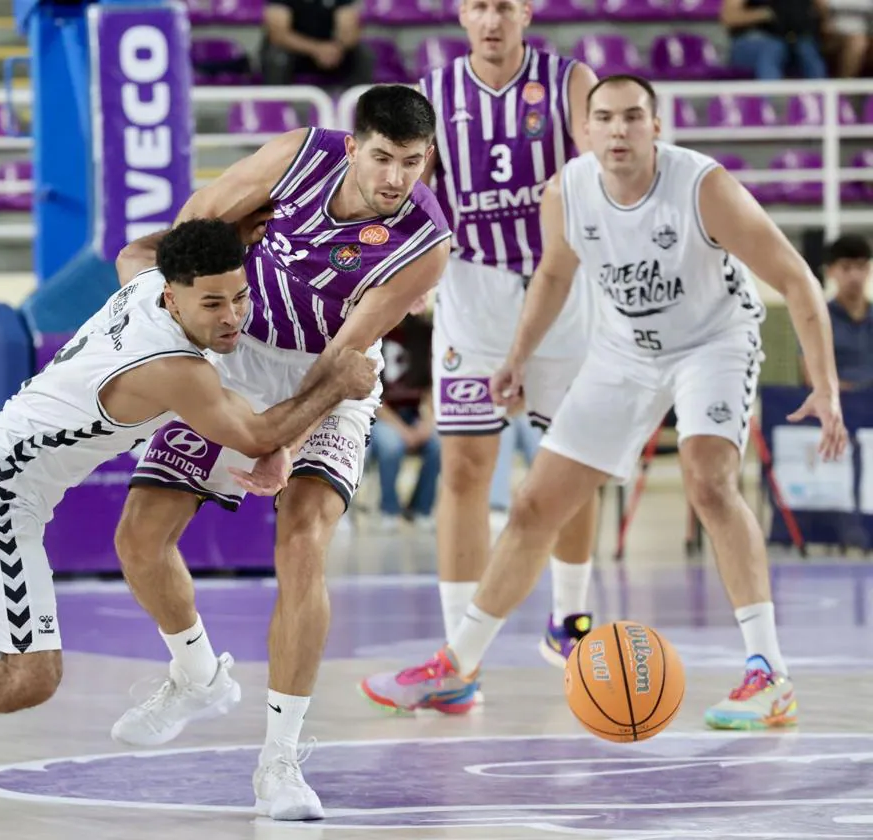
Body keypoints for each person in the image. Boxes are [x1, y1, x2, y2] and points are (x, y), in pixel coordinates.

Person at [0, 219, 378, 829]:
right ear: (174, 295)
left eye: (239, 297)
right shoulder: (171, 365)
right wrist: (340, 383)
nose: (231, 316)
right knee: (32, 674)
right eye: (211, 302)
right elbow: (258, 429)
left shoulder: (141, 284)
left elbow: (134, 249)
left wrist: (233, 229)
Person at [389, 74, 847, 732]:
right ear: (584, 131)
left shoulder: (702, 186)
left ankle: (769, 674)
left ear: (656, 126)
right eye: (604, 117)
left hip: (712, 342)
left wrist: (823, 387)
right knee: (533, 503)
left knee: (709, 480)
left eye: (634, 117)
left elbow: (798, 281)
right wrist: (517, 358)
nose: (619, 129)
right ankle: (455, 669)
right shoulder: (567, 190)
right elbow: (552, 273)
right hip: (626, 350)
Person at [108, 85, 452, 821]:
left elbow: (347, 350)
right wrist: (177, 294)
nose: (396, 178)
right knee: (138, 537)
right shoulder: (299, 155)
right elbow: (198, 217)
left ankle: (281, 761)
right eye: (384, 158)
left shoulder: (426, 244)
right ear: (354, 146)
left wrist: (285, 443)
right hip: (235, 352)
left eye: (413, 163)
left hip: (329, 376)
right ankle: (197, 674)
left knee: (302, 542)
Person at [359, 0, 600, 716]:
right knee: (465, 467)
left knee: (570, 463)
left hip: (561, 292)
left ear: (527, 10)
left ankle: (570, 619)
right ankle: (460, 655)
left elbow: (599, 180)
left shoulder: (569, 82)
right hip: (472, 292)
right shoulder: (433, 96)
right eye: (477, 5)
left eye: (503, 4)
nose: (490, 19)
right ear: (461, 14)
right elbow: (405, 196)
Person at [367, 312, 440, 530]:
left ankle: (421, 509)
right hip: (381, 414)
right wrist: (402, 430)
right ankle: (389, 510)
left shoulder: (424, 333)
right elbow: (371, 396)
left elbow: (431, 386)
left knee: (440, 445)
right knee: (391, 445)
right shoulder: (372, 333)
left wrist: (427, 423)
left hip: (417, 413)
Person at [801, 233, 873, 390]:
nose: (854, 276)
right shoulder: (816, 319)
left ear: (868, 269)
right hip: (836, 406)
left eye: (861, 267)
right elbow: (811, 377)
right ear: (830, 271)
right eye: (846, 268)